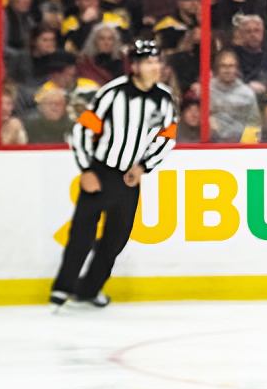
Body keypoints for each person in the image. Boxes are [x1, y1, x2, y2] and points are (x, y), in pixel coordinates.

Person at [52, 39, 176, 308]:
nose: (155, 67)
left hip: (129, 179)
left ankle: (88, 290)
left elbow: (167, 137)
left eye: (157, 62)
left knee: (115, 239)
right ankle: (62, 288)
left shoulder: (164, 99)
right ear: (134, 66)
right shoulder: (113, 93)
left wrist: (143, 166)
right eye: (149, 63)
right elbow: (83, 130)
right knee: (82, 234)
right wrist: (86, 169)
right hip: (101, 171)